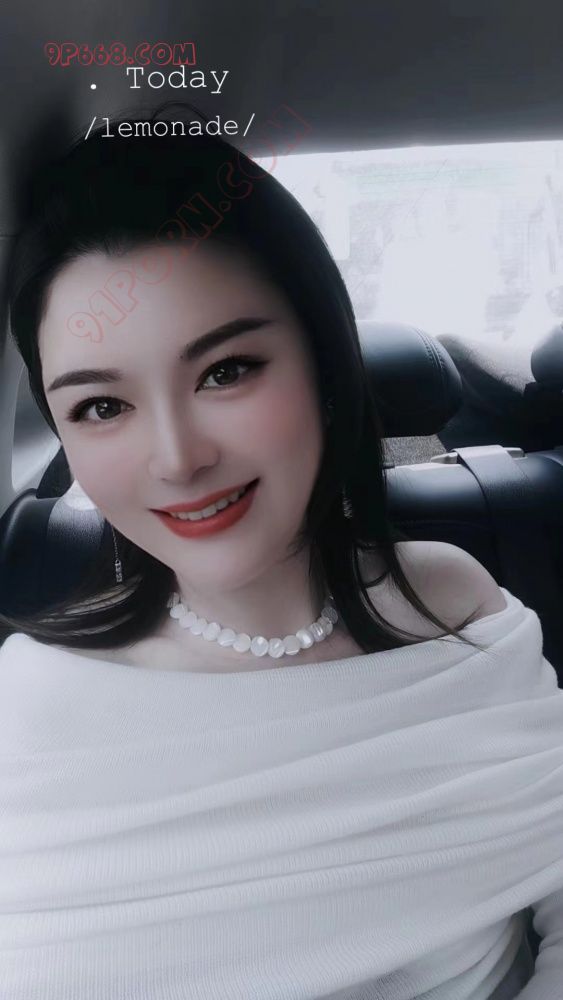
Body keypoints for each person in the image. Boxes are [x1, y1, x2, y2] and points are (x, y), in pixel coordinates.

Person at [0, 102, 561, 999]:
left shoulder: (457, 607)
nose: (178, 458)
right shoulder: (31, 707)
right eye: (102, 406)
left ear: (324, 366)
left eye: (226, 371)